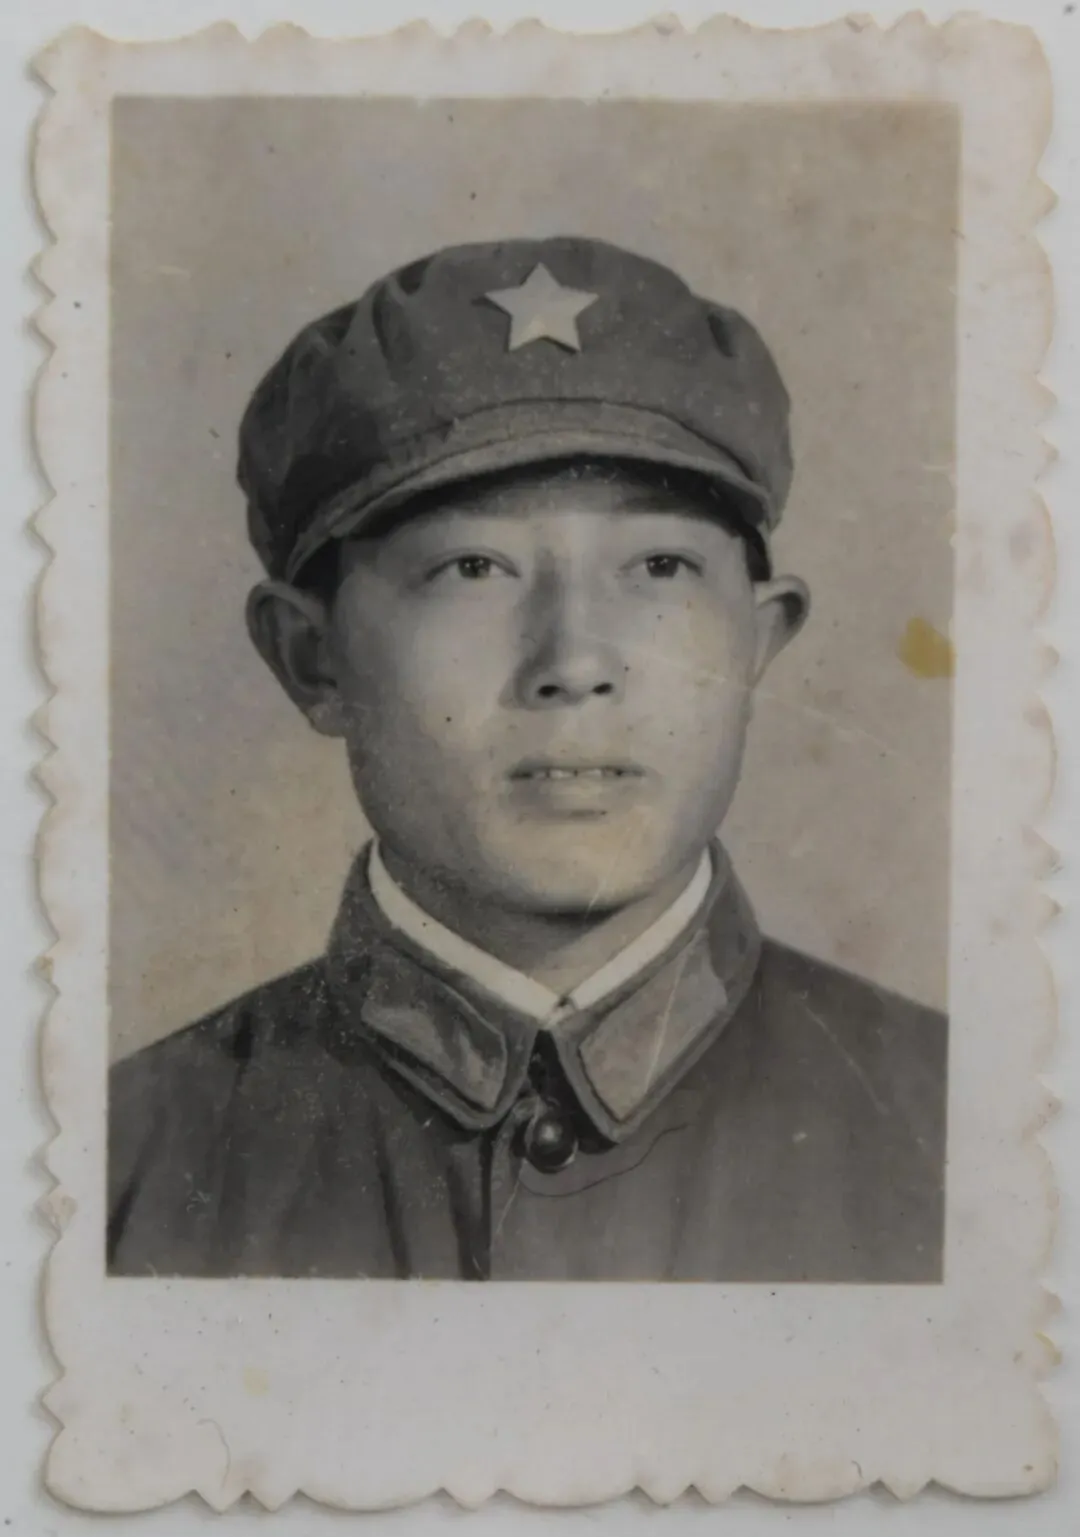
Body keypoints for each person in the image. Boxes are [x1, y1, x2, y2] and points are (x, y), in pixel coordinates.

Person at [108, 236, 947, 1282]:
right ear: (312, 658)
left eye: (659, 565)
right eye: (473, 567)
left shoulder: (980, 1139)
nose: (575, 663)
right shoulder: (106, 1174)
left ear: (756, 641)